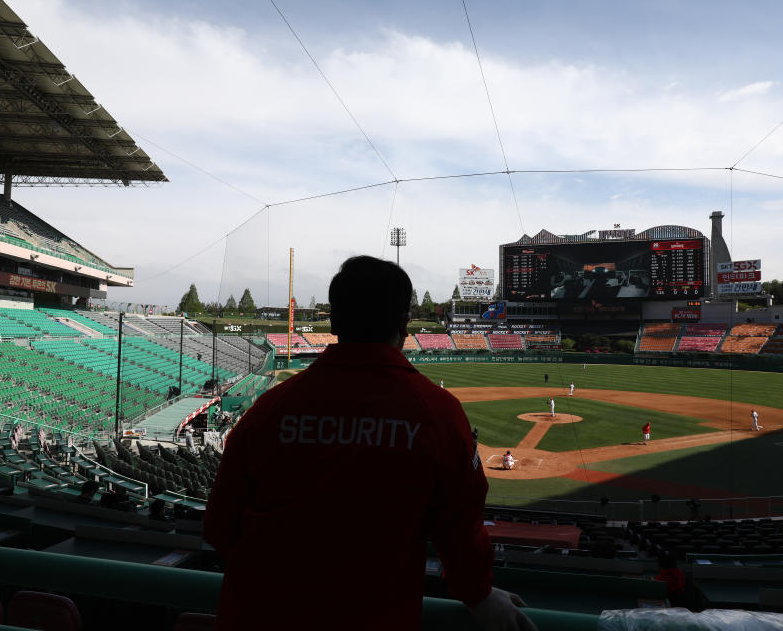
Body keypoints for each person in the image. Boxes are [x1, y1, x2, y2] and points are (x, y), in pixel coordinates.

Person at [204, 256, 535, 631]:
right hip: (375, 616)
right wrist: (478, 594)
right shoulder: (437, 413)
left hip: (256, 614)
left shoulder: (270, 409)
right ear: (404, 324)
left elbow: (219, 526)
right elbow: (461, 529)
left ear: (333, 321)